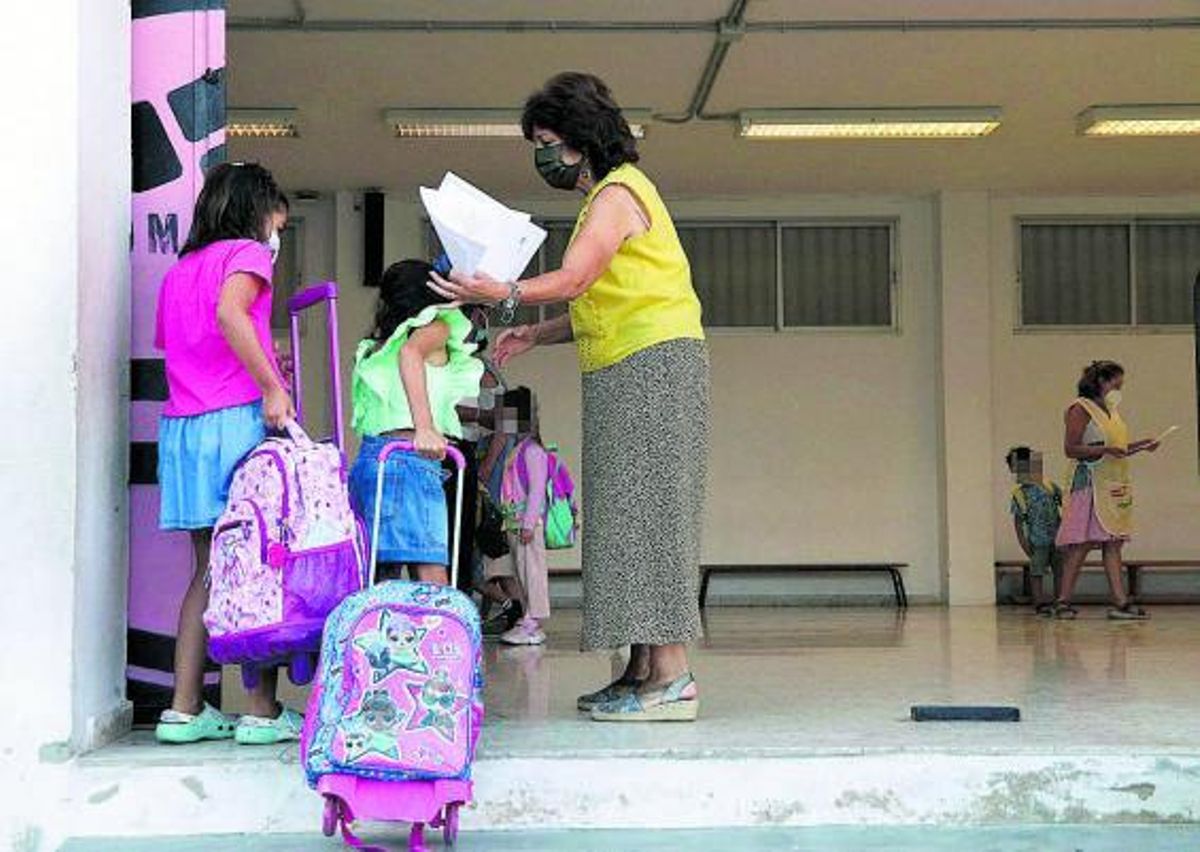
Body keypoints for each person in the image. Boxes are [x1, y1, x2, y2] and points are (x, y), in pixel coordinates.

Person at [430, 72, 709, 722]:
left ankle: (673, 676)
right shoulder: (603, 201)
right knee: (623, 517)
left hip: (654, 367)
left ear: (581, 140)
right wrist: (533, 332)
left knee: (651, 514)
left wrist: (499, 293)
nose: (543, 155)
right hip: (624, 365)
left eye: (549, 140)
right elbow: (600, 300)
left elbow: (578, 275)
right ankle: (640, 669)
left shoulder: (617, 194)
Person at [154, 162, 302, 745]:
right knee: (255, 566)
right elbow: (229, 314)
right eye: (277, 222)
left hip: (183, 432)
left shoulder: (180, 270)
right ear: (255, 211)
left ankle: (184, 709)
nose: (277, 236)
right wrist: (272, 385)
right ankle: (261, 712)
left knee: (209, 571)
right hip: (234, 425)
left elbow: (188, 346)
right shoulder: (247, 254)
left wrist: (264, 366)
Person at [348, 259, 483, 586]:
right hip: (411, 458)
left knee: (379, 573)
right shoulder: (435, 326)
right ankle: (440, 637)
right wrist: (425, 426)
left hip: (373, 457)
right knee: (429, 566)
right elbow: (411, 355)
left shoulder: (379, 343)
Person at [1051, 361, 1159, 620]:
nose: (1120, 389)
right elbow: (1071, 449)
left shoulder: (1112, 411)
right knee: (1082, 543)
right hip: (1089, 484)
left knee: (1113, 542)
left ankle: (1120, 602)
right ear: (1101, 381)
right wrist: (1104, 450)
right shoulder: (1080, 408)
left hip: (1112, 485)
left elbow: (1117, 448)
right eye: (1116, 384)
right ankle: (1062, 601)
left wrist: (1142, 445)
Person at [496, 387, 552, 647]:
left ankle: (534, 620)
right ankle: (529, 615)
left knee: (532, 572)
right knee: (522, 572)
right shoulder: (519, 448)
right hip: (515, 522)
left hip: (526, 524)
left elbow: (537, 490)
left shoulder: (532, 451)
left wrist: (529, 523)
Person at [1005, 446, 1064, 613]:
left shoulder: (1050, 486)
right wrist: (1023, 543)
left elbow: (1065, 504)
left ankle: (1060, 601)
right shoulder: (1019, 494)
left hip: (1057, 538)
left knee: (1059, 570)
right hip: (1036, 541)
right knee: (1036, 571)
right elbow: (1018, 522)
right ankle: (1039, 603)